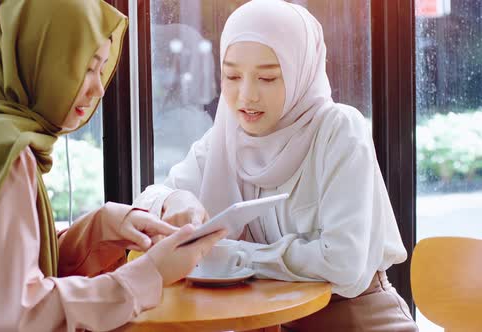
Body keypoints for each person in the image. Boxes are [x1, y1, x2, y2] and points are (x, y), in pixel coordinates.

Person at [0, 0, 225, 331]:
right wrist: (149, 273)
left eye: (101, 68)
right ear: (37, 57)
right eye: (85, 67)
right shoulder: (1, 151)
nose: (97, 89)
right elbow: (23, 315)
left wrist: (101, 228)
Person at [134, 0, 419, 330]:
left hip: (357, 320)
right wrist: (171, 200)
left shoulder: (338, 130)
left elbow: (343, 263)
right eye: (232, 76)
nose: (246, 96)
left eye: (267, 78)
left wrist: (234, 254)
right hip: (268, 321)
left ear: (301, 72)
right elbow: (145, 204)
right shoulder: (226, 137)